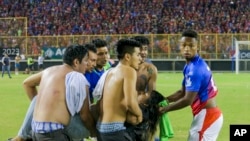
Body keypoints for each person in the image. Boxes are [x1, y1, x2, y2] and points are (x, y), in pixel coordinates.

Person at [8, 44, 98, 141]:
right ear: (76, 62)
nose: (87, 64)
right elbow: (85, 116)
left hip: (35, 131)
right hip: (55, 133)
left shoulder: (49, 71)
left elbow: (27, 83)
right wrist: (95, 132)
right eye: (85, 61)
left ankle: (21, 137)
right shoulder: (78, 77)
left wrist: (42, 106)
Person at [159, 29, 223, 141]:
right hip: (206, 115)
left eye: (191, 45)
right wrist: (164, 100)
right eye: (184, 45)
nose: (187, 49)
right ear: (179, 47)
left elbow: (187, 100)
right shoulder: (190, 66)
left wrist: (165, 109)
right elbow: (182, 92)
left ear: (197, 47)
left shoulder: (195, 70)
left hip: (207, 116)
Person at [94, 38, 143, 141]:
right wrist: (140, 115)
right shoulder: (129, 71)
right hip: (115, 129)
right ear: (127, 56)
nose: (140, 59)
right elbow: (130, 103)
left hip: (101, 127)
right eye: (138, 55)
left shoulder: (109, 72)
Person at [85, 38, 110, 103]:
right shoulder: (87, 73)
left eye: (106, 53)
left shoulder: (108, 66)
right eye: (100, 54)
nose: (105, 57)